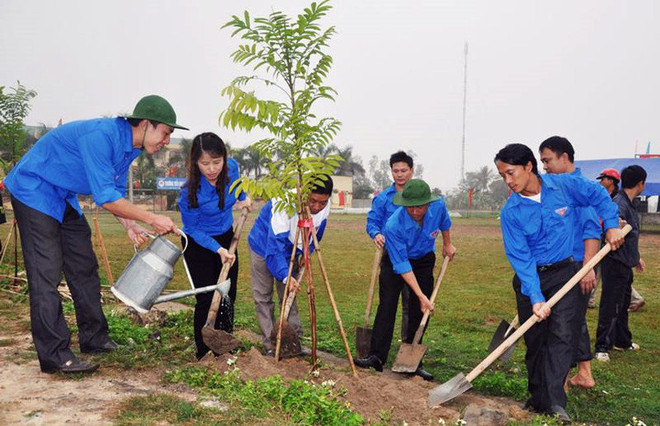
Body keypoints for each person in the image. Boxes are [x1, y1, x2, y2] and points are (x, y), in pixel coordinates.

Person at [3, 95, 186, 374]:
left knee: (84, 266)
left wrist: (129, 224)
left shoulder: (131, 148)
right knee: (46, 273)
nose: (165, 140)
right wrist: (151, 218)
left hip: (63, 196)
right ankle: (55, 355)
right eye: (165, 132)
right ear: (147, 124)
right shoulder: (102, 136)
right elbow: (105, 196)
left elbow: (111, 193)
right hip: (34, 190)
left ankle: (95, 337)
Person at [495, 144, 622, 422]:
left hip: (565, 273)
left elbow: (599, 195)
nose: (508, 181)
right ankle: (537, 396)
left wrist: (611, 224)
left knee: (563, 336)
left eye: (510, 173)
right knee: (536, 339)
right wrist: (535, 296)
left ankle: (554, 402)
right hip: (531, 277)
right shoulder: (511, 211)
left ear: (529, 166)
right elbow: (521, 257)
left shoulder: (564, 187)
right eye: (502, 175)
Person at [355, 179, 456, 381]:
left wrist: (447, 244)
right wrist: (419, 295)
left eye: (420, 206)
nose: (415, 211)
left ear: (428, 203)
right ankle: (377, 356)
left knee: (420, 310)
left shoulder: (438, 206)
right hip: (396, 261)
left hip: (424, 259)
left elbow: (445, 223)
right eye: (410, 207)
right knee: (388, 304)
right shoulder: (393, 225)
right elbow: (402, 266)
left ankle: (413, 360)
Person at [178, 132, 252, 360]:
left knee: (228, 293)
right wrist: (218, 250)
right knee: (207, 297)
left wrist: (243, 197)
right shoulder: (188, 192)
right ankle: (204, 351)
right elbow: (192, 229)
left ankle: (224, 343)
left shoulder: (231, 168)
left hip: (227, 237)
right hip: (198, 244)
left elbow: (239, 189)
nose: (212, 169)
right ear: (195, 163)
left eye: (216, 162)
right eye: (205, 163)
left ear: (224, 158)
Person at [539, 136, 601, 389]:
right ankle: (583, 372)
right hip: (564, 263)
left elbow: (591, 230)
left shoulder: (577, 186)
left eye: (547, 161)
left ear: (564, 158)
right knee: (574, 319)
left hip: (576, 264)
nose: (545, 167)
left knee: (563, 324)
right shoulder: (558, 186)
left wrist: (587, 269)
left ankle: (560, 381)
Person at [247, 178, 333, 356]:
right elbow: (274, 249)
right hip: (263, 246)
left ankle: (294, 342)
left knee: (289, 295)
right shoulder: (283, 206)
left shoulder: (326, 205)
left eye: (322, 202)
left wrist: (305, 252)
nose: (317, 207)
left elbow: (317, 231)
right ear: (304, 196)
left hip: (292, 250)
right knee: (263, 296)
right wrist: (286, 276)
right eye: (313, 201)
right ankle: (271, 344)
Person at [594, 165, 647, 362]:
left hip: (626, 262)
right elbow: (610, 226)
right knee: (611, 304)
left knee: (623, 303)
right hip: (614, 262)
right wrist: (615, 223)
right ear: (640, 183)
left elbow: (630, 236)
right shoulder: (619, 204)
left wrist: (637, 257)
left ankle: (622, 340)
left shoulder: (629, 203)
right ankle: (602, 346)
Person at [365, 151, 415, 341]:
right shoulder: (383, 197)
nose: (400, 174)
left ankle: (409, 345)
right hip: (391, 256)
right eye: (396, 171)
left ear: (411, 170)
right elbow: (372, 222)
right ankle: (379, 349)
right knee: (387, 303)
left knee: (412, 304)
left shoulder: (418, 196)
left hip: (414, 256)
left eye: (403, 170)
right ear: (391, 172)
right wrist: (376, 234)